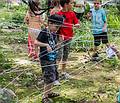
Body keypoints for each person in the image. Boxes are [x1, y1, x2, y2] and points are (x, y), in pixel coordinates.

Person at [34, 14, 64, 103]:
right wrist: (45, 45)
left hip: (52, 58)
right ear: (50, 23)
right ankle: (44, 97)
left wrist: (57, 45)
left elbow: (53, 43)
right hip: (46, 59)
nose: (57, 29)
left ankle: (49, 92)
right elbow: (36, 42)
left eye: (59, 27)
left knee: (53, 76)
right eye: (56, 27)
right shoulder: (44, 32)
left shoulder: (53, 33)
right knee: (49, 78)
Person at [57, 0, 80, 79]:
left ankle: (63, 72)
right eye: (71, 3)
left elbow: (76, 22)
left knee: (66, 55)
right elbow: (55, 27)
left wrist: (77, 25)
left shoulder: (72, 13)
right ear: (66, 4)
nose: (72, 5)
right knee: (59, 55)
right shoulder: (59, 14)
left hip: (69, 38)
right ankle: (55, 74)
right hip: (60, 38)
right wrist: (59, 35)